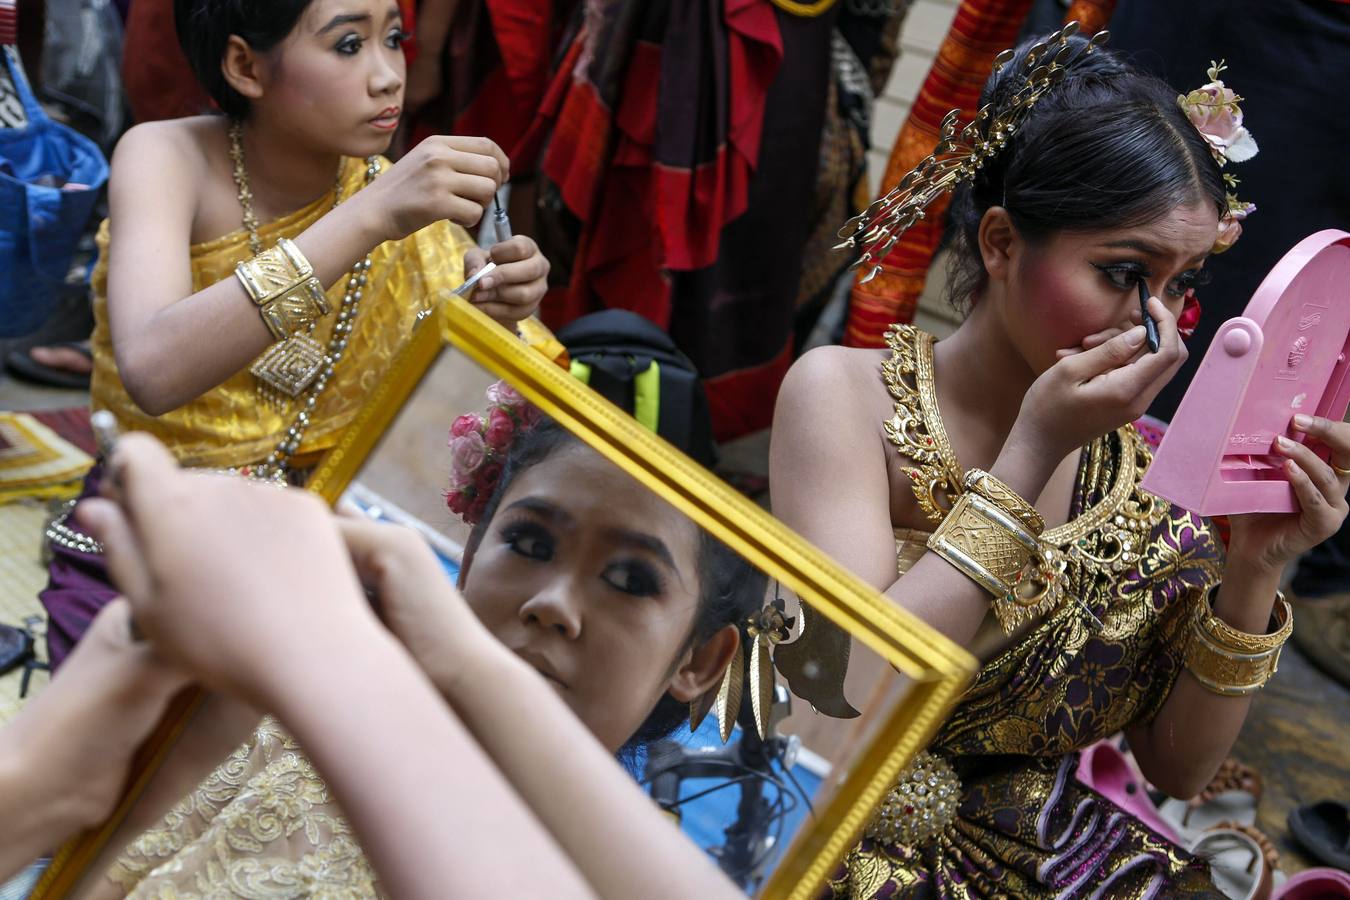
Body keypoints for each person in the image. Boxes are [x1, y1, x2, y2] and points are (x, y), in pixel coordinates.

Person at [768, 31, 1350, 897]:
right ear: (1001, 244)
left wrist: (1257, 568)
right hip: (815, 831)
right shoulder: (848, 401)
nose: (1158, 321)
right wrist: (1029, 454)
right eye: (1124, 271)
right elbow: (840, 701)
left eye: (1184, 284)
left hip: (1037, 858)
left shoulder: (1145, 476)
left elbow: (1177, 770)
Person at [37, 0, 552, 668]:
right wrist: (369, 217)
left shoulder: (391, 201)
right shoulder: (167, 157)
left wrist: (491, 319)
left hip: (332, 557)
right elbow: (152, 368)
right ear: (245, 66)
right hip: (156, 552)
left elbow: (438, 437)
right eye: (347, 46)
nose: (389, 75)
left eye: (393, 39)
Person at [73, 416, 765, 896]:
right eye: (527, 543)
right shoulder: (297, 714)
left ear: (701, 661)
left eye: (630, 581)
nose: (553, 603)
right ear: (465, 558)